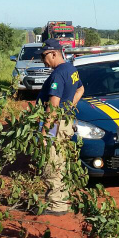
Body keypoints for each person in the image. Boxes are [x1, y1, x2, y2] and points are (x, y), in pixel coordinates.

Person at [35, 39, 84, 216]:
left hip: (54, 124)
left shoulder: (57, 75)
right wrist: (69, 107)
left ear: (54, 53)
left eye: (44, 56)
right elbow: (81, 89)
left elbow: (53, 106)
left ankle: (57, 206)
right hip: (65, 121)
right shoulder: (71, 69)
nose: (43, 60)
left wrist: (44, 132)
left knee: (51, 163)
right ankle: (58, 198)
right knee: (60, 162)